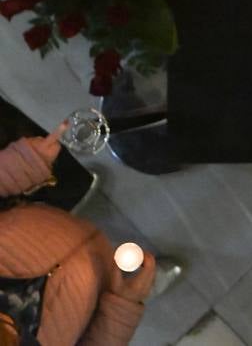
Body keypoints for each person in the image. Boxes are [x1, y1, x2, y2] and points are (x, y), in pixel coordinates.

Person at [0, 123, 156, 346]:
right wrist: (123, 305)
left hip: (43, 225)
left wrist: (22, 166)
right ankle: (136, 279)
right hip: (97, 285)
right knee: (132, 273)